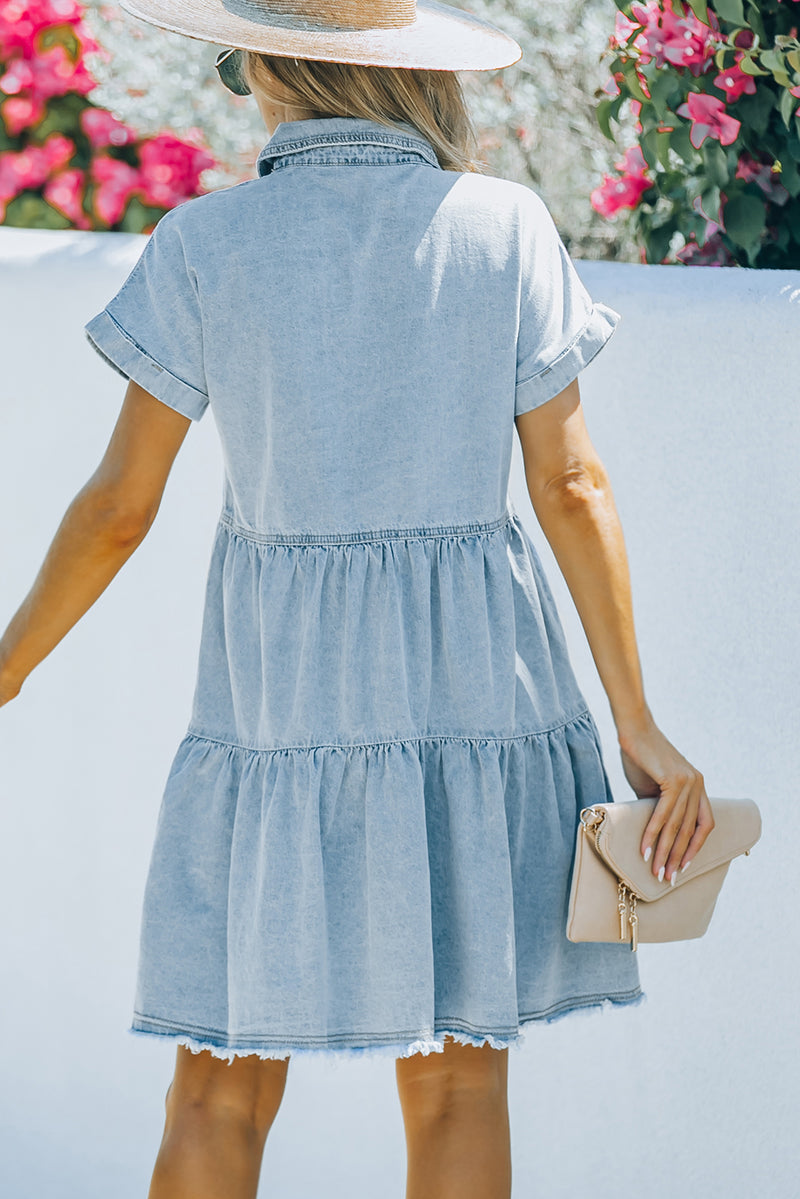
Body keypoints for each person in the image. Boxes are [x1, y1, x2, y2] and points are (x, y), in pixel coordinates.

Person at [0, 1, 715, 1196]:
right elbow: (572, 483)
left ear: (269, 68)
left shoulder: (206, 242)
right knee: (456, 1083)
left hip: (278, 715)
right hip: (483, 698)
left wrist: (9, 661)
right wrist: (634, 719)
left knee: (218, 1085)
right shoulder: (505, 228)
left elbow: (121, 505)